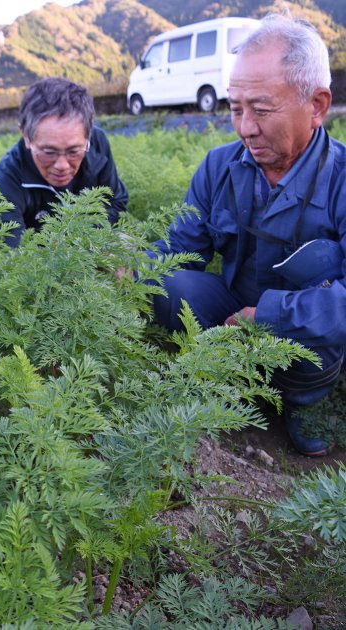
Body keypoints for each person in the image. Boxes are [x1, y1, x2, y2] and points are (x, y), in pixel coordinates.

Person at [149, 14, 346, 456]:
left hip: (302, 340)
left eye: (261, 109)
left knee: (323, 333)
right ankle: (230, 383)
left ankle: (306, 400)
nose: (244, 127)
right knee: (167, 281)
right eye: (236, 108)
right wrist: (131, 272)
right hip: (231, 316)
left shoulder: (341, 179)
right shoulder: (220, 166)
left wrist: (271, 316)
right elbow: (178, 249)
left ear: (316, 105)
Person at [0, 77, 128, 246]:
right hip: (41, 260)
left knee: (126, 247)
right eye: (49, 152)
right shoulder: (7, 178)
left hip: (89, 245)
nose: (62, 166)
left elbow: (116, 201)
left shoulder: (97, 143)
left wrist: (85, 240)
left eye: (74, 151)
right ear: (25, 136)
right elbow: (12, 253)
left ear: (88, 134)